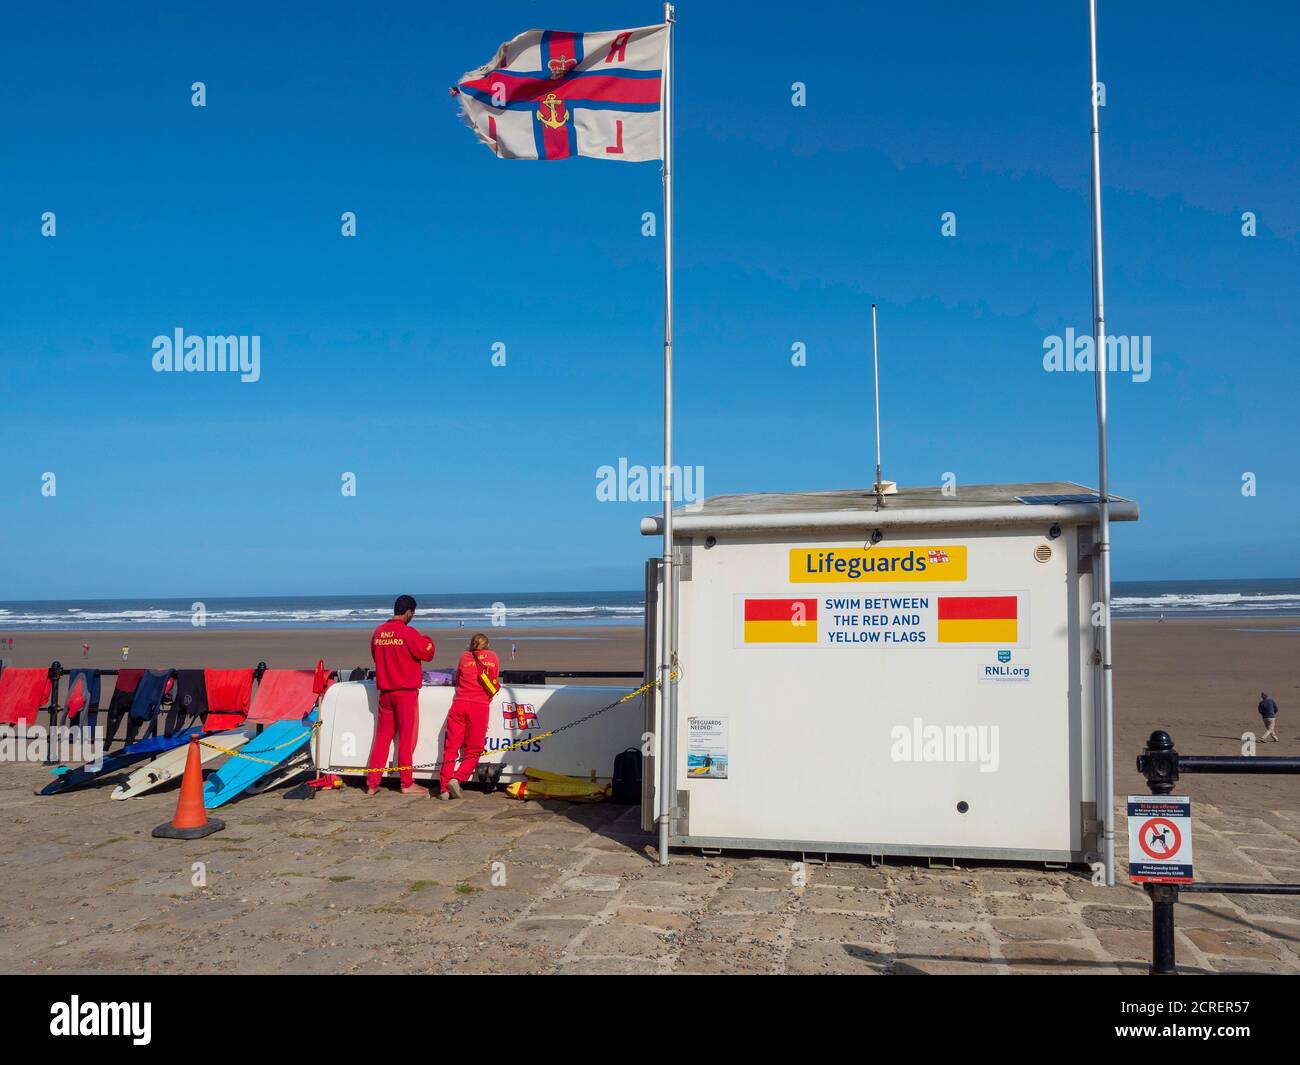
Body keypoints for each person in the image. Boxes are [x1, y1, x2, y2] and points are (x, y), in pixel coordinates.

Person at [367, 595, 436, 796]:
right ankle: (406, 783)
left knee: (382, 738)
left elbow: (376, 656)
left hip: (385, 693)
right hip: (405, 693)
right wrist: (427, 639)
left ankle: (372, 783)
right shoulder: (408, 633)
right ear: (409, 612)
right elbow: (428, 653)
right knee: (406, 739)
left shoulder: (378, 632)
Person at [439, 633, 500, 800]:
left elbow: (458, 679)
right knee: (473, 750)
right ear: (487, 645)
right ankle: (457, 778)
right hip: (479, 706)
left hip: (459, 704)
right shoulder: (492, 656)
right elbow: (493, 680)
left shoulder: (465, 656)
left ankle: (444, 788)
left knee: (451, 748)